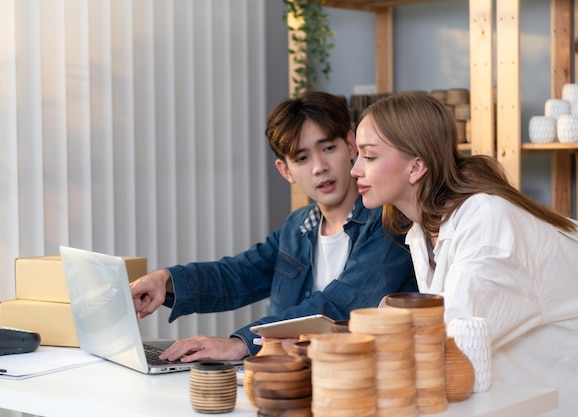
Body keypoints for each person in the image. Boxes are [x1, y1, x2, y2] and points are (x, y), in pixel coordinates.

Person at [130, 91, 417, 362]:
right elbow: (238, 274)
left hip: (359, 384)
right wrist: (164, 279)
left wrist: (242, 343)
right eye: (302, 158)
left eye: (328, 148)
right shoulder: (298, 226)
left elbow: (340, 304)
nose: (319, 167)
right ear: (285, 171)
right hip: (291, 378)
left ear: (351, 145)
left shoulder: (390, 219)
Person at [350, 90, 578, 416]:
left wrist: (384, 320)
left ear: (416, 167)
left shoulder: (487, 221)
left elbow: (448, 341)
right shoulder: (423, 230)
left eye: (369, 156)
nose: (355, 170)